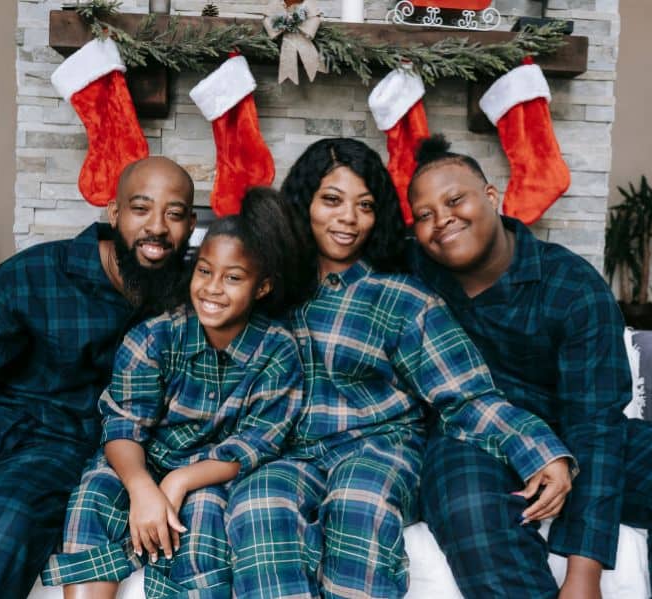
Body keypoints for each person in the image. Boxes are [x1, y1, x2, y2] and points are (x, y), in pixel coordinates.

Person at [225, 137, 575, 599]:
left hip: (381, 450)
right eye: (331, 200)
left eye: (364, 205)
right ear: (303, 204)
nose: (348, 218)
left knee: (358, 499)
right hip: (293, 454)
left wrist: (542, 452)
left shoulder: (403, 298)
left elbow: (466, 395)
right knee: (257, 499)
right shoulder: (273, 290)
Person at [408, 134, 652, 598]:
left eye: (455, 200)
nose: (442, 221)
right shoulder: (417, 270)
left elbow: (597, 424)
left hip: (574, 431)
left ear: (492, 197)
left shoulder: (572, 286)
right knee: (465, 504)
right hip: (473, 438)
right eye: (424, 215)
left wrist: (585, 573)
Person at [0, 156, 196, 598]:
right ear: (114, 214)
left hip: (59, 449)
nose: (157, 227)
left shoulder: (192, 301)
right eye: (141, 208)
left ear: (189, 224)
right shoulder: (35, 272)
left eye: (173, 214)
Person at [42, 187, 306, 599]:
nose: (213, 288)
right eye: (205, 271)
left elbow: (257, 443)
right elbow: (123, 426)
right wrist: (142, 486)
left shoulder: (278, 349)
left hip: (212, 471)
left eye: (233, 277)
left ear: (262, 288)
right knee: (94, 493)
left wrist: (182, 480)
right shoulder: (155, 336)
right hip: (140, 458)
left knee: (202, 519)